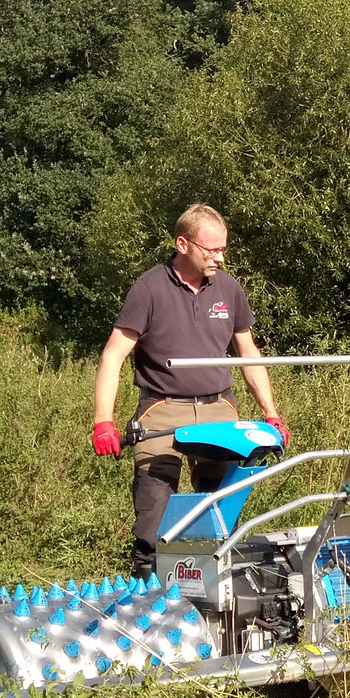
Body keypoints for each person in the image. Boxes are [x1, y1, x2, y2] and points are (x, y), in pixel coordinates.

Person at [92, 204, 286, 576]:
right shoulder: (148, 288)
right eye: (210, 250)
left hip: (218, 409)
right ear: (183, 244)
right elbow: (113, 356)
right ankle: (147, 591)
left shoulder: (228, 288)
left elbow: (248, 352)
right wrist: (104, 422)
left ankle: (212, 596)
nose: (219, 258)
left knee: (217, 515)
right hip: (162, 410)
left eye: (223, 249)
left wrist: (271, 414)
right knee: (153, 516)